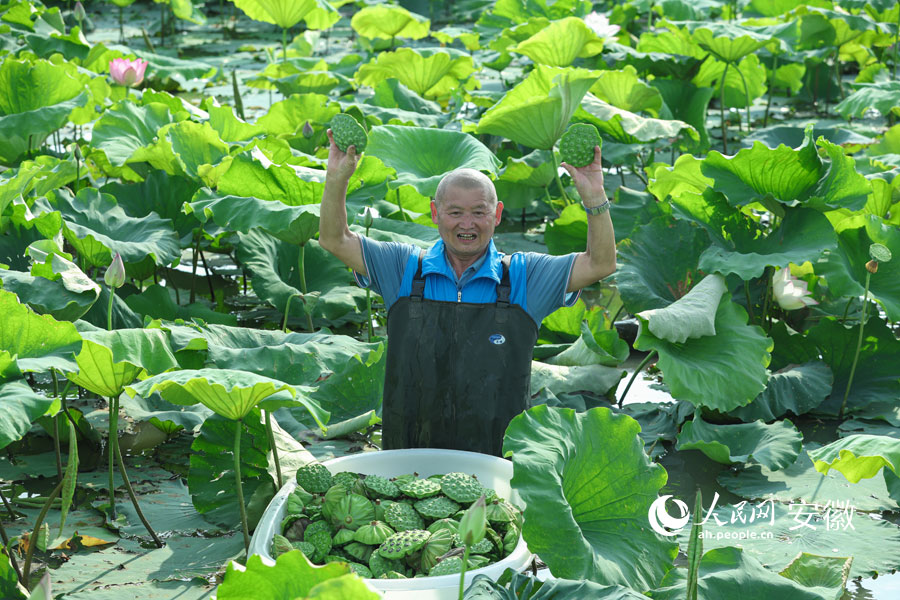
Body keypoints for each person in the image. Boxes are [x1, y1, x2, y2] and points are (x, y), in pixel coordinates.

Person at [319, 130, 616, 456]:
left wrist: (594, 196)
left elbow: (600, 263)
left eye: (479, 212)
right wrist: (336, 178)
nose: (467, 224)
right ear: (435, 213)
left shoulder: (523, 276)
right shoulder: (404, 269)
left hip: (497, 464)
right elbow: (335, 239)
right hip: (408, 462)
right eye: (455, 212)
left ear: (497, 215)